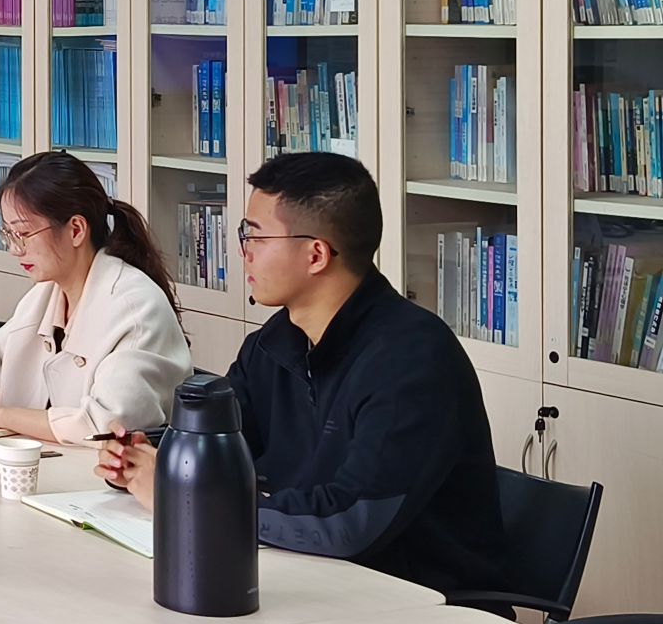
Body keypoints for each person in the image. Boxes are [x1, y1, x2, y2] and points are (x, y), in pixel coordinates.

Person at [96, 153, 504, 596]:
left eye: (255, 236)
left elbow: (350, 520)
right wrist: (147, 457)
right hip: (314, 581)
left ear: (315, 255)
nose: (243, 252)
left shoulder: (413, 361)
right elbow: (223, 441)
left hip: (418, 607)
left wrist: (187, 502)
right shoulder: (277, 341)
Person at [0, 149, 191, 444]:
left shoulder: (135, 307)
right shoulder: (46, 293)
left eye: (24, 234)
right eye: (8, 234)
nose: (15, 249)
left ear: (76, 230)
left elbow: (106, 425)